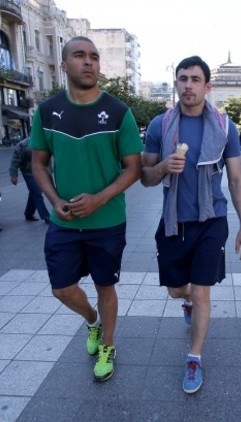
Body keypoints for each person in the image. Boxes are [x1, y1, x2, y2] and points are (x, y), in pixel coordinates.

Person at [29, 36, 143, 383]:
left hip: (107, 221)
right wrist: (53, 199)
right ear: (64, 65)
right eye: (79, 56)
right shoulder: (47, 111)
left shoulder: (119, 111)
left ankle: (107, 345)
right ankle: (92, 322)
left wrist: (99, 198)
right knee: (61, 288)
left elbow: (133, 168)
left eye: (94, 56)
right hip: (63, 222)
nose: (89, 62)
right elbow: (38, 164)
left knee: (105, 286)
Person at [141, 55, 241, 395]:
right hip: (174, 222)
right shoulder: (161, 125)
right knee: (178, 289)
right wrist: (163, 167)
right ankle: (185, 300)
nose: (188, 85)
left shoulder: (224, 126)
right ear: (175, 83)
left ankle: (194, 358)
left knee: (203, 291)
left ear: (207, 85)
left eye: (194, 79)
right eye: (182, 78)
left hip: (210, 221)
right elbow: (144, 177)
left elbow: (235, 179)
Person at [9, 138, 50, 223]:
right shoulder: (23, 145)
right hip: (28, 172)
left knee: (34, 193)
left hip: (41, 171)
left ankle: (28, 213)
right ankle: (46, 216)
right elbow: (15, 160)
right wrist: (14, 176)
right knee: (37, 193)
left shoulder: (45, 142)